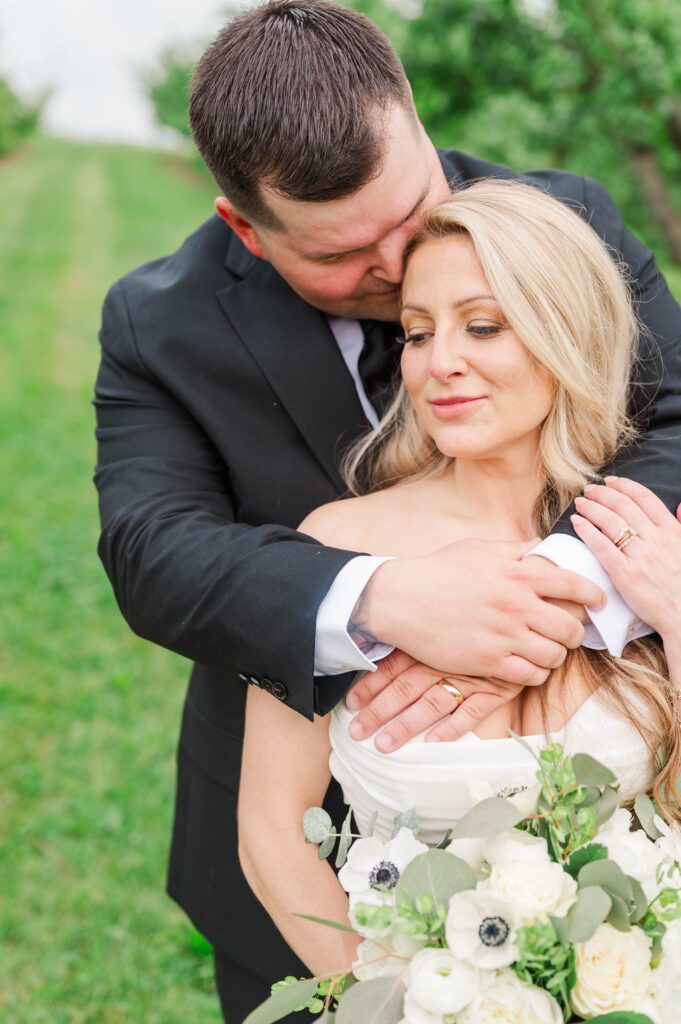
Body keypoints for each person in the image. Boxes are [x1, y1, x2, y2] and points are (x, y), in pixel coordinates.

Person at [93, 1, 681, 1019]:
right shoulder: (161, 323)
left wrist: (558, 591)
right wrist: (383, 596)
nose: (407, 262)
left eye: (413, 211)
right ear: (250, 229)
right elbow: (154, 551)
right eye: (350, 258)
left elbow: (674, 414)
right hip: (304, 866)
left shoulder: (563, 225)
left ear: (411, 113)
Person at [238, 178, 681, 983]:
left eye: (481, 326)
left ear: (564, 333)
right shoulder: (339, 545)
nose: (439, 364)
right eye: (415, 333)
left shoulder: (647, 536)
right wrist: (386, 998)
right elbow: (269, 829)